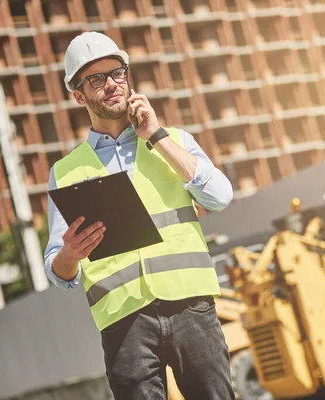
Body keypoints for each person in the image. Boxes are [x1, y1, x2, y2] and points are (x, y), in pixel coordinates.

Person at [44, 31, 235, 400]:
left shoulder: (173, 140)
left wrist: (156, 136)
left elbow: (220, 197)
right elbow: (58, 269)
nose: (111, 85)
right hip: (123, 322)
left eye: (117, 73)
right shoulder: (66, 171)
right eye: (96, 79)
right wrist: (69, 255)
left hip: (190, 306)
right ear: (79, 95)